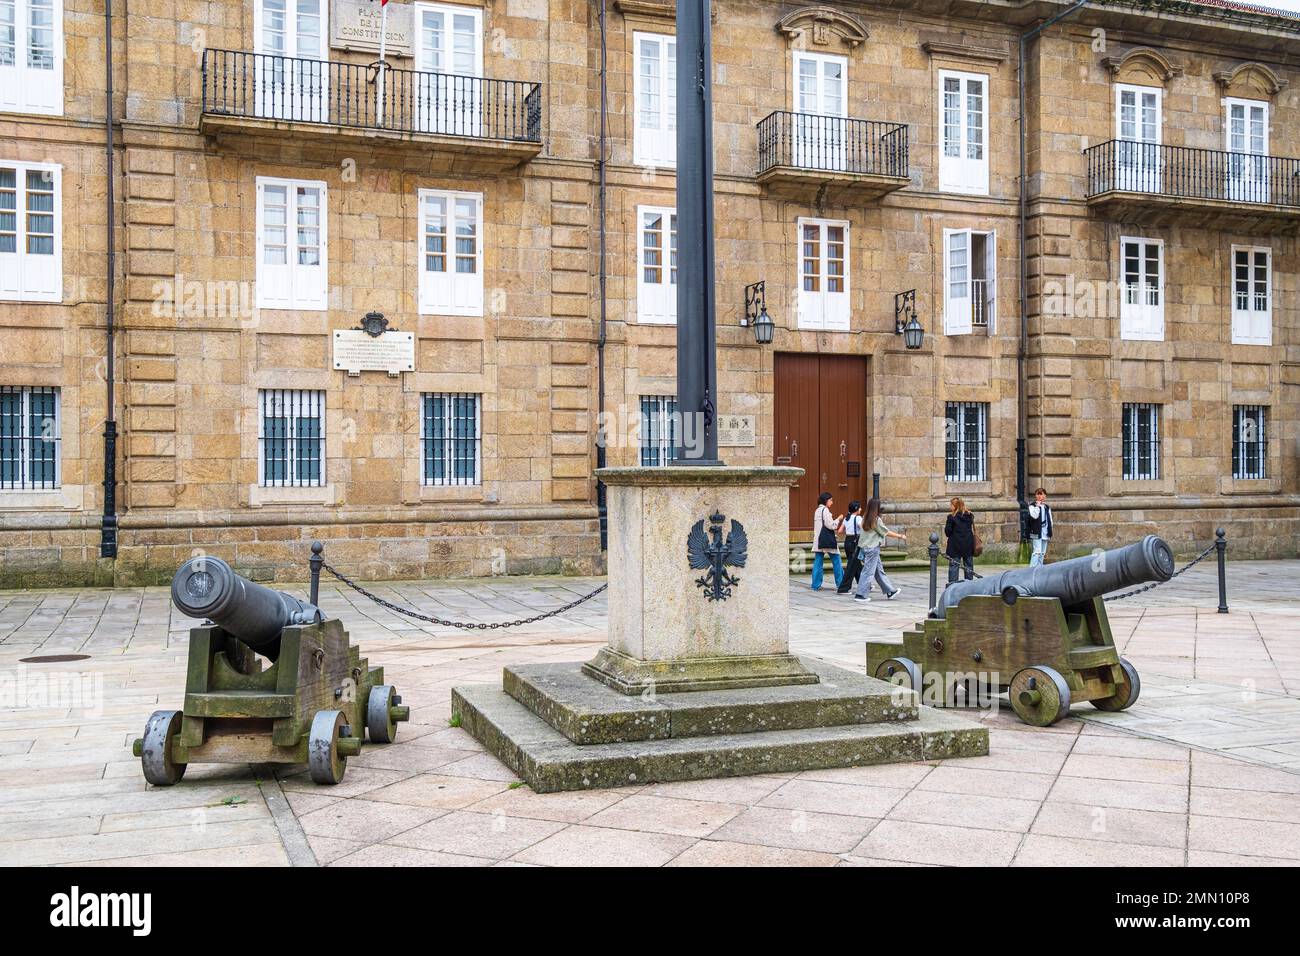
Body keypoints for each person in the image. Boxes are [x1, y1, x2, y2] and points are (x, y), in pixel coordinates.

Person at [854, 498, 906, 602]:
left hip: (866, 548)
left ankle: (890, 591)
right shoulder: (876, 519)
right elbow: (886, 532)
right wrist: (900, 536)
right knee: (868, 572)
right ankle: (861, 595)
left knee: (879, 571)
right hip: (872, 549)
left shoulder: (865, 517)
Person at [810, 492, 844, 591]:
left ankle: (815, 585)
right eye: (831, 500)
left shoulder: (817, 510)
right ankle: (841, 584)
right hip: (827, 541)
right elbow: (831, 526)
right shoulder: (825, 510)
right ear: (826, 500)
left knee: (818, 562)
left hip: (819, 540)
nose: (832, 502)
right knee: (837, 561)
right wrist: (838, 519)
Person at [944, 497, 976, 584]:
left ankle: (952, 585)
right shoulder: (969, 516)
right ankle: (969, 585)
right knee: (968, 566)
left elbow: (947, 532)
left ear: (955, 506)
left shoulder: (951, 517)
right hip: (968, 545)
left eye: (951, 505)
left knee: (954, 566)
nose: (950, 507)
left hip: (955, 546)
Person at [837, 501, 863, 594]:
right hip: (855, 542)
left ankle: (863, 583)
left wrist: (849, 531)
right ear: (856, 509)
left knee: (856, 564)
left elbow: (840, 531)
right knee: (851, 566)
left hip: (847, 541)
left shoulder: (846, 518)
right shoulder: (858, 518)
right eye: (859, 508)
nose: (861, 509)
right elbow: (863, 528)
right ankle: (843, 588)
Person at [1027, 487, 1054, 567]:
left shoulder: (1047, 507)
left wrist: (1050, 530)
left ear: (1045, 496)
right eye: (1037, 494)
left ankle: (1039, 569)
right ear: (1035, 495)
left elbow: (1050, 520)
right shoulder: (1032, 506)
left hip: (1045, 531)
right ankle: (1031, 570)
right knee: (1037, 552)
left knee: (1042, 552)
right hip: (1035, 531)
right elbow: (1034, 516)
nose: (1039, 496)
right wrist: (1037, 506)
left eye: (1041, 494)